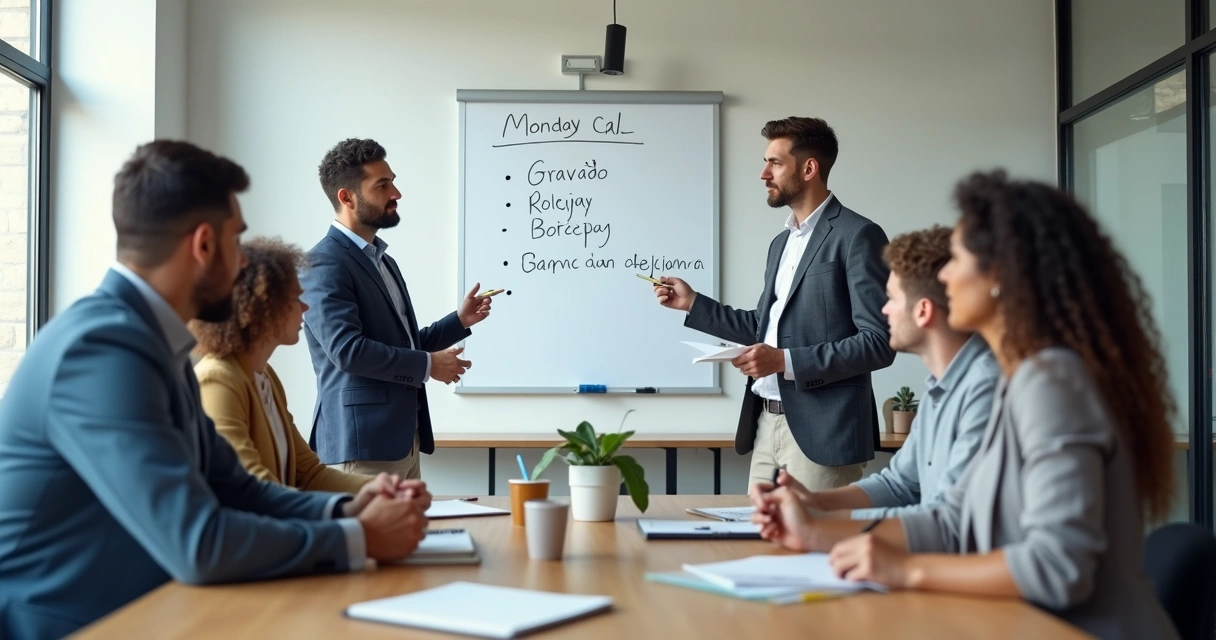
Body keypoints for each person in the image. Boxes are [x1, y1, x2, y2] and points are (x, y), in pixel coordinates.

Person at [0, 141, 431, 640]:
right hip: (78, 625)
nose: (246, 265)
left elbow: (236, 489)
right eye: (237, 241)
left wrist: (348, 508)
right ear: (204, 245)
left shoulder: (157, 343)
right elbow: (198, 543)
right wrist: (359, 537)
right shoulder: (102, 349)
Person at [754, 170, 1178, 640]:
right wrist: (814, 524)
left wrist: (904, 570)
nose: (945, 274)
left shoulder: (1050, 382)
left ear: (1001, 275)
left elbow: (1058, 567)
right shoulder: (1011, 379)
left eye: (956, 259)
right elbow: (951, 522)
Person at [655, 117, 895, 491]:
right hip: (766, 426)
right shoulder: (780, 245)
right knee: (762, 541)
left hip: (825, 436)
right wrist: (692, 304)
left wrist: (783, 360)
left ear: (809, 168)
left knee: (812, 548)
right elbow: (764, 327)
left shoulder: (857, 236)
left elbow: (878, 343)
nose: (764, 173)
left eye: (775, 162)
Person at [749, 226, 998, 519]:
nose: (883, 310)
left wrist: (831, 526)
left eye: (890, 298)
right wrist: (815, 504)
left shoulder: (987, 389)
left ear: (923, 310)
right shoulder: (937, 391)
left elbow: (947, 521)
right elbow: (899, 485)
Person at [301, 138, 492, 478]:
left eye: (393, 182)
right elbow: (348, 351)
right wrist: (429, 365)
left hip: (403, 439)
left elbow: (400, 341)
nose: (396, 194)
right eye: (383, 185)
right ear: (347, 197)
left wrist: (459, 320)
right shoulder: (323, 263)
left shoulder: (383, 261)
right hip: (362, 446)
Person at [193, 237, 393, 495]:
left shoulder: (265, 376)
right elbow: (252, 490)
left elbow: (308, 473)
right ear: (262, 306)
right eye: (295, 298)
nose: (305, 306)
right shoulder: (217, 380)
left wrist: (382, 489)